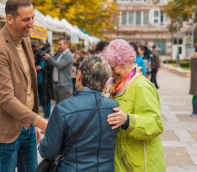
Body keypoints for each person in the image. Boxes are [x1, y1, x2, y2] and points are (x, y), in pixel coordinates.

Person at [0, 0, 48, 172]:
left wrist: (33, 125)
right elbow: (6, 98)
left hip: (27, 127)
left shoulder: (24, 39)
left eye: (32, 18)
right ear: (9, 19)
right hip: (5, 131)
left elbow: (29, 88)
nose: (32, 24)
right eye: (26, 19)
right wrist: (40, 121)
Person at [39, 55, 118, 171]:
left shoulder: (64, 108)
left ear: (79, 76)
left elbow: (48, 151)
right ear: (106, 81)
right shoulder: (113, 106)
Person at [100, 39, 165, 171]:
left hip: (139, 164)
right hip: (118, 161)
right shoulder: (111, 85)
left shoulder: (142, 86)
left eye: (114, 67)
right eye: (109, 67)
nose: (111, 72)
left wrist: (128, 120)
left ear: (126, 63)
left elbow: (156, 124)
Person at [43, 38, 74, 103]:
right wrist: (48, 58)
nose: (58, 46)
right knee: (58, 106)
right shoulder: (60, 54)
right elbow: (52, 64)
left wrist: (49, 58)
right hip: (57, 84)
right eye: (58, 45)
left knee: (64, 107)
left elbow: (59, 65)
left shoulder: (68, 55)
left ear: (66, 45)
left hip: (64, 85)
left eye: (60, 45)